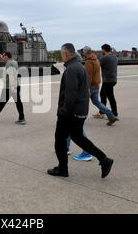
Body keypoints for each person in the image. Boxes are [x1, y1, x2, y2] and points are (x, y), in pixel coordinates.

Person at [47, 43, 114, 178]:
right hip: (80, 110)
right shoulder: (79, 66)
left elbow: (70, 94)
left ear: (66, 54)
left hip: (70, 112)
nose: (61, 56)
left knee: (59, 140)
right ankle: (104, 159)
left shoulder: (72, 69)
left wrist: (63, 111)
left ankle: (62, 169)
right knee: (79, 138)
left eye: (61, 54)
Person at [0, 52, 26, 125]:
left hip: (10, 87)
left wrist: (12, 87)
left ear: (7, 57)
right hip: (15, 85)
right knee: (3, 101)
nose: (2, 58)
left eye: (3, 56)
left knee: (17, 102)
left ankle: (22, 118)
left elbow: (11, 75)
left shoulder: (9, 64)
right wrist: (0, 55)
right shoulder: (14, 62)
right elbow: (6, 58)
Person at [84, 46, 119, 126]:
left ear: (85, 53)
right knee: (97, 102)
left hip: (92, 85)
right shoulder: (96, 60)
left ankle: (80, 119)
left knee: (83, 102)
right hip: (97, 84)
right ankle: (111, 116)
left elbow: (88, 77)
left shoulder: (89, 62)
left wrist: (87, 88)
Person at [94, 44, 119, 119]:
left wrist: (97, 57)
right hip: (113, 79)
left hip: (108, 80)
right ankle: (102, 112)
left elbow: (97, 64)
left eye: (102, 49)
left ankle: (114, 113)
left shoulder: (105, 57)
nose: (101, 51)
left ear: (104, 50)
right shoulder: (114, 56)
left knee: (110, 97)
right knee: (103, 95)